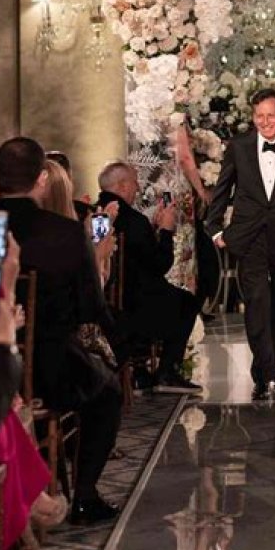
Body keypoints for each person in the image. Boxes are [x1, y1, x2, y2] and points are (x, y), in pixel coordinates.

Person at [0, 137, 122, 525]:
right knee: (108, 392)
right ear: (41, 179)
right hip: (52, 369)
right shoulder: (64, 231)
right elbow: (90, 308)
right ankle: (84, 496)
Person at [207, 89, 275, 400]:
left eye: (271, 115)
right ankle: (264, 372)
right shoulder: (239, 147)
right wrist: (215, 229)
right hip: (249, 235)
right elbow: (223, 188)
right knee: (256, 301)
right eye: (259, 116)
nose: (265, 122)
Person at [98, 162, 201, 394]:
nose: (137, 188)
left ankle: (140, 370)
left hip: (106, 300)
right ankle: (167, 370)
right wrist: (165, 231)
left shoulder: (96, 214)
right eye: (135, 182)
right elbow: (160, 265)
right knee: (187, 301)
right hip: (137, 306)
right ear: (123, 186)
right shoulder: (134, 220)